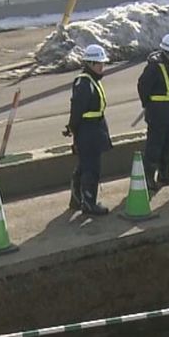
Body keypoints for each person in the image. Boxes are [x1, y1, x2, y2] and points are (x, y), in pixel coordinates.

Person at [63, 44, 112, 215]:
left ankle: (77, 200)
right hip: (88, 132)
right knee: (91, 168)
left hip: (94, 130)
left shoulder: (92, 81)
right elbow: (77, 110)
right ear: (89, 64)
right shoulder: (84, 83)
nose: (101, 66)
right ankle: (89, 203)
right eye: (99, 63)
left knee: (85, 166)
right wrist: (72, 128)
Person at [137, 33, 169, 192]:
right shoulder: (154, 67)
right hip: (157, 111)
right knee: (154, 145)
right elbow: (143, 86)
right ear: (165, 52)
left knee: (168, 143)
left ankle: (164, 174)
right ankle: (148, 177)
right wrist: (149, 105)